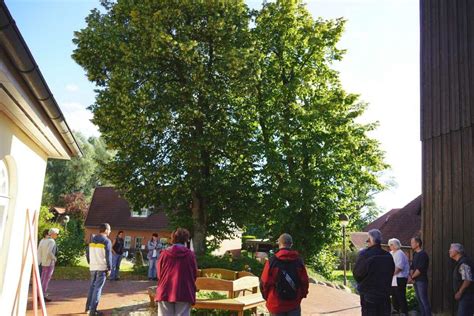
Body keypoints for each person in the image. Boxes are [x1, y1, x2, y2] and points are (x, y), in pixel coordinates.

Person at [260, 233, 309, 316]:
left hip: (275, 303)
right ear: (291, 244)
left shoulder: (272, 261)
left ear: (279, 243)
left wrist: (267, 297)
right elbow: (304, 281)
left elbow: (264, 282)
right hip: (294, 303)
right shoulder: (298, 261)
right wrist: (301, 295)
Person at [155, 228, 197, 316]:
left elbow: (159, 273)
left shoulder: (164, 253)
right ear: (186, 239)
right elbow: (194, 274)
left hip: (165, 291)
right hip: (184, 291)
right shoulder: (190, 255)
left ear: (173, 238)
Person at [353, 229, 395, 316]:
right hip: (384, 294)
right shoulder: (388, 255)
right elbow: (391, 271)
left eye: (368, 240)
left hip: (369, 295)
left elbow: (357, 274)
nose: (367, 242)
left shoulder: (365, 254)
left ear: (371, 240)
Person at [85, 223, 112, 316]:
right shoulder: (107, 241)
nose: (110, 231)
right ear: (105, 230)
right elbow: (109, 256)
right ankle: (93, 311)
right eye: (109, 230)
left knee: (92, 287)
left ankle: (87, 308)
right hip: (101, 267)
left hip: (93, 266)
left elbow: (87, 253)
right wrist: (109, 268)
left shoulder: (92, 239)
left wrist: (90, 262)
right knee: (98, 288)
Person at [409, 236, 432, 316]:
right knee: (419, 300)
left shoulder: (423, 254)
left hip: (421, 280)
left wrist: (412, 278)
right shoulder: (415, 254)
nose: (411, 244)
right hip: (415, 280)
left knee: (424, 300)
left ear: (418, 244)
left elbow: (420, 269)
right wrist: (411, 276)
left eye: (412, 242)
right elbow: (412, 266)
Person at [449, 243, 474, 316]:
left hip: (467, 296)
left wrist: (460, 292)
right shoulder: (461, 262)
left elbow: (468, 280)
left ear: (457, 251)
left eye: (451, 249)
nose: (449, 251)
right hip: (466, 296)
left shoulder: (463, 263)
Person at [37, 227, 59, 302]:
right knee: (46, 279)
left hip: (42, 262)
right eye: (57, 234)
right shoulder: (52, 241)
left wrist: (39, 261)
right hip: (49, 263)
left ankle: (39, 294)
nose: (57, 236)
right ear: (53, 234)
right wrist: (55, 259)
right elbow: (49, 252)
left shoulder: (42, 240)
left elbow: (39, 251)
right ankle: (42, 295)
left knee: (42, 278)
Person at [388, 238, 409, 315]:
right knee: (394, 295)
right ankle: (395, 310)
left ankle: (404, 312)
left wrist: (390, 274)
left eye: (391, 244)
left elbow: (399, 267)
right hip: (393, 278)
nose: (390, 246)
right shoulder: (391, 253)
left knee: (400, 296)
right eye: (389, 244)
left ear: (396, 245)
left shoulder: (400, 253)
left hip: (400, 278)